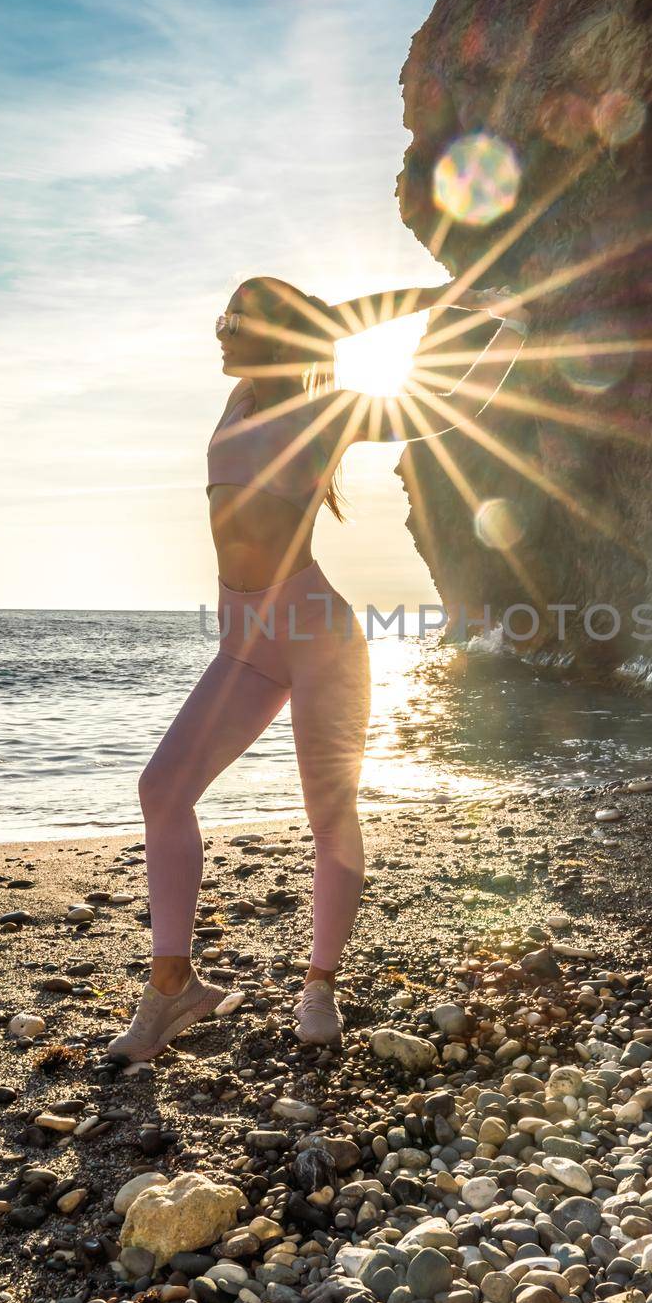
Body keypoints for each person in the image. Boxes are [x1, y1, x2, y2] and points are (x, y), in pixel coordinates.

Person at [107, 274, 528, 1061]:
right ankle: (172, 990)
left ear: (271, 336)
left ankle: (320, 986)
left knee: (328, 813)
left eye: (232, 318)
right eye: (219, 313)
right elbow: (327, 322)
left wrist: (492, 324)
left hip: (318, 636)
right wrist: (434, 292)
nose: (219, 331)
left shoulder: (323, 413)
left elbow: (446, 410)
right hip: (243, 643)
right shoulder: (239, 405)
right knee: (162, 789)